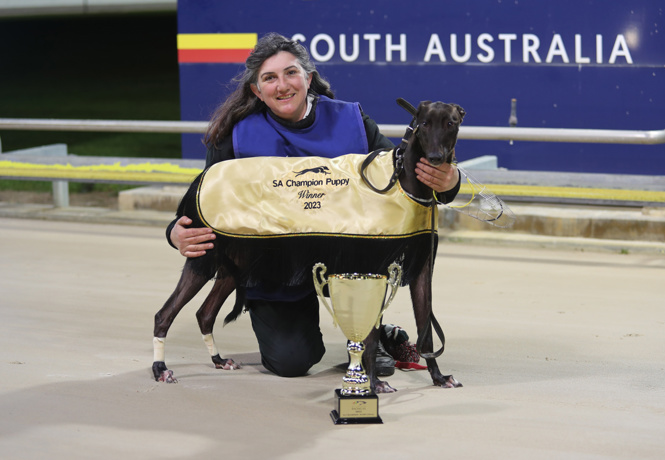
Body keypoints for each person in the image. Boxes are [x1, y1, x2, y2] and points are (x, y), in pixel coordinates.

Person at [166, 33, 460, 379]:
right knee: (291, 362)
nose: (282, 85)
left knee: (376, 255)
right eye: (269, 78)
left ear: (308, 78)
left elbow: (402, 178)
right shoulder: (235, 135)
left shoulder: (351, 120)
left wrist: (450, 182)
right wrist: (174, 232)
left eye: (291, 73)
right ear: (257, 90)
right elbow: (209, 200)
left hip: (347, 257)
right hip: (278, 263)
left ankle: (375, 331)